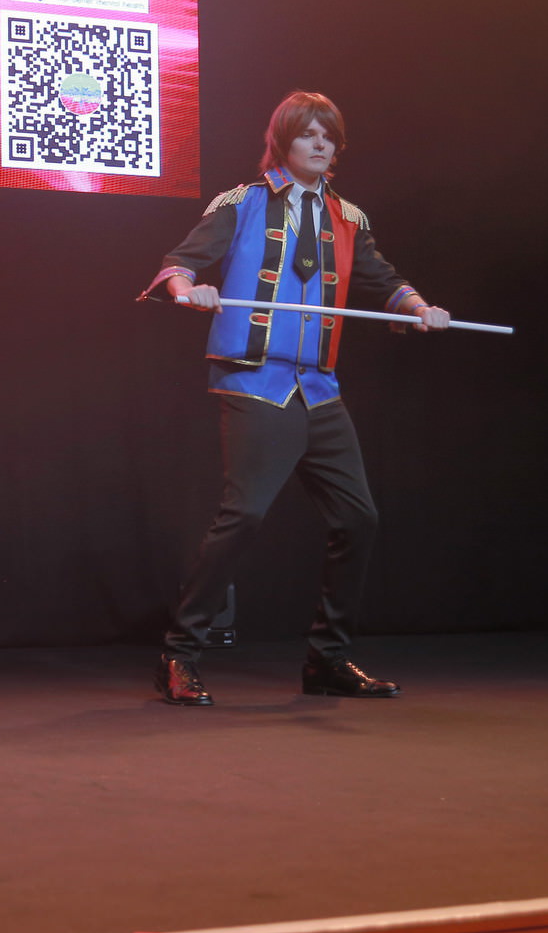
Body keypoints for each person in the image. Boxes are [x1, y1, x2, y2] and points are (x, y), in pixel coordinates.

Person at [138, 91, 450, 706]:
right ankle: (179, 655)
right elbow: (181, 263)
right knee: (245, 516)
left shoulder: (348, 217)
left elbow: (383, 280)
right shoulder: (242, 202)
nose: (320, 144)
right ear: (284, 141)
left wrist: (420, 309)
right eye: (308, 133)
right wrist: (188, 290)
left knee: (358, 518)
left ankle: (327, 659)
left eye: (328, 136)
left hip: (318, 388)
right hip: (256, 382)